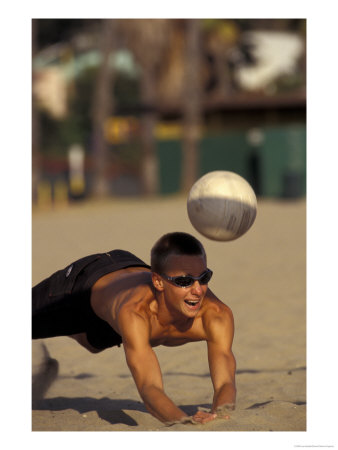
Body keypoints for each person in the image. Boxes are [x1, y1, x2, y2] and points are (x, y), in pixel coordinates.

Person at [32, 232, 236, 425]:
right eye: (184, 281)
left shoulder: (217, 315)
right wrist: (184, 421)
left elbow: (225, 382)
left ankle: (74, 334)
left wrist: (220, 413)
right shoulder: (136, 313)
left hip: (116, 310)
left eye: (204, 277)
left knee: (94, 343)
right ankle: (67, 328)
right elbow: (150, 387)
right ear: (158, 281)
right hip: (84, 285)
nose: (198, 290)